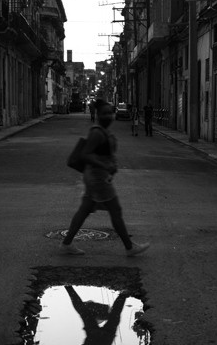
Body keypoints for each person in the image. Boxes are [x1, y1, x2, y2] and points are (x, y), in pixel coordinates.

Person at [60, 100, 150, 257]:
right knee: (115, 210)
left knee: (85, 210)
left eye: (110, 112)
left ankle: (66, 243)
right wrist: (105, 166)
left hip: (96, 177)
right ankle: (129, 247)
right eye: (105, 113)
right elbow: (85, 154)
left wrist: (110, 164)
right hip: (97, 179)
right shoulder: (97, 133)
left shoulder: (103, 131)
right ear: (98, 115)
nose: (109, 116)